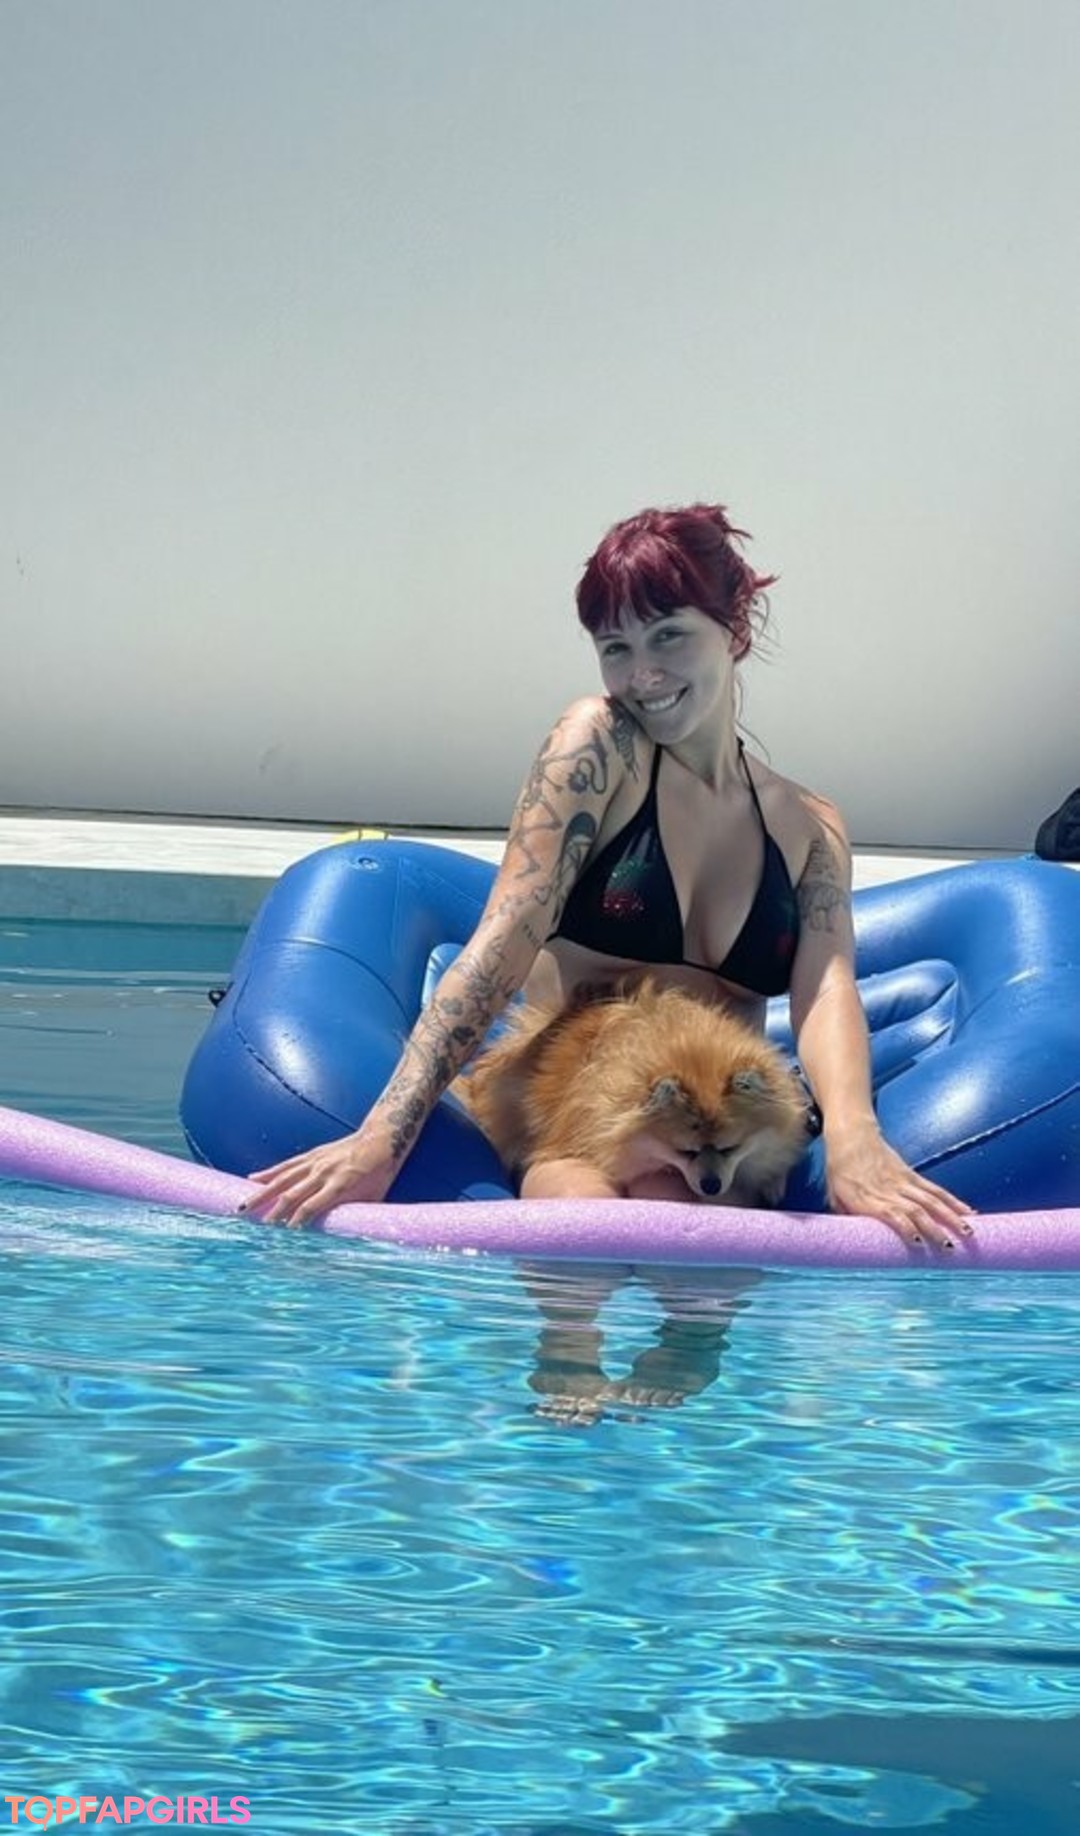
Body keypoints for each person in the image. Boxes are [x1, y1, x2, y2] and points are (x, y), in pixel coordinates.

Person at [243, 501, 974, 1252]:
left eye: (669, 635)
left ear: (735, 630)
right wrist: (381, 1139)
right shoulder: (600, 751)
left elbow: (825, 993)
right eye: (615, 647)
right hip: (572, 1122)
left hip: (715, 1144)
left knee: (700, 1265)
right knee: (583, 1235)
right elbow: (503, 941)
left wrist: (854, 1138)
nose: (642, 675)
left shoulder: (809, 827)